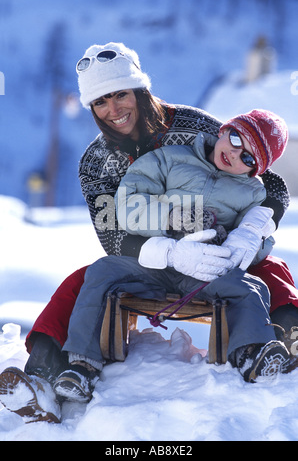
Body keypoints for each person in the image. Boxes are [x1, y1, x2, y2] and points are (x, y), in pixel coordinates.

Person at [0, 43, 297, 421]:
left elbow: (269, 182)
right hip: (149, 256)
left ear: (139, 90)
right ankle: (45, 373)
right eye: (100, 103)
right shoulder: (96, 163)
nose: (113, 110)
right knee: (86, 279)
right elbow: (113, 239)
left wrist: (254, 229)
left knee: (271, 269)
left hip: (219, 252)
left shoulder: (196, 127)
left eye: (121, 94)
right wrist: (172, 248)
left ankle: (287, 342)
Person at [52, 107, 293, 404]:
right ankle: (81, 365)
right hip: (156, 262)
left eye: (247, 158)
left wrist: (242, 244)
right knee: (102, 271)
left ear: (255, 170)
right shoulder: (169, 158)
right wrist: (171, 217)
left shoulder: (252, 193)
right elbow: (128, 206)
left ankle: (251, 352)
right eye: (234, 138)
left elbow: (261, 242)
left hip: (205, 273)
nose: (234, 153)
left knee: (252, 288)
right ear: (222, 130)